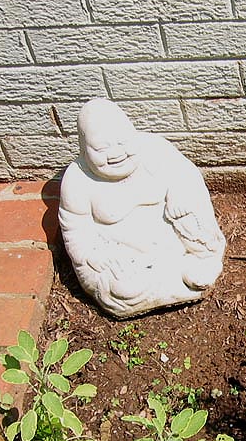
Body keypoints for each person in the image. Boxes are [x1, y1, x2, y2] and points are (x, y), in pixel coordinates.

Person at [58, 98, 226, 318]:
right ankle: (169, 281)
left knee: (190, 208)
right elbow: (75, 230)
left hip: (173, 239)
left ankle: (200, 260)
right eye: (101, 148)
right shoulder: (77, 180)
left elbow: (187, 177)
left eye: (122, 142)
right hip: (122, 257)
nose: (115, 154)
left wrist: (179, 194)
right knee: (123, 290)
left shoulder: (155, 149)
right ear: (84, 148)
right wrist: (95, 255)